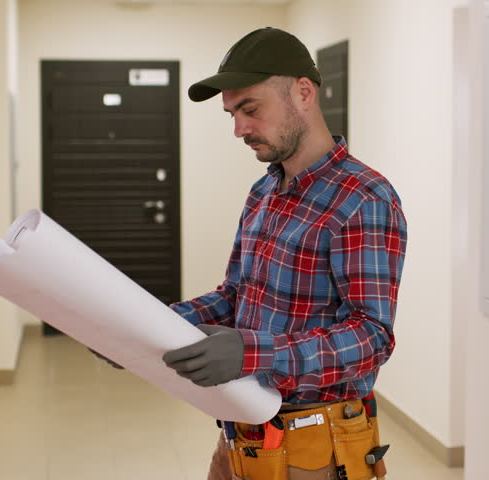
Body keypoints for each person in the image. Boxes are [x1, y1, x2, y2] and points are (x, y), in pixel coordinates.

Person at [107, 27, 407, 480]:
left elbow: (371, 337)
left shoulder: (363, 199)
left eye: (250, 109)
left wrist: (253, 352)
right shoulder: (265, 190)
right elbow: (235, 294)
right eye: (232, 113)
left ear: (303, 93)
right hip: (242, 434)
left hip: (315, 449)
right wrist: (145, 327)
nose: (238, 129)